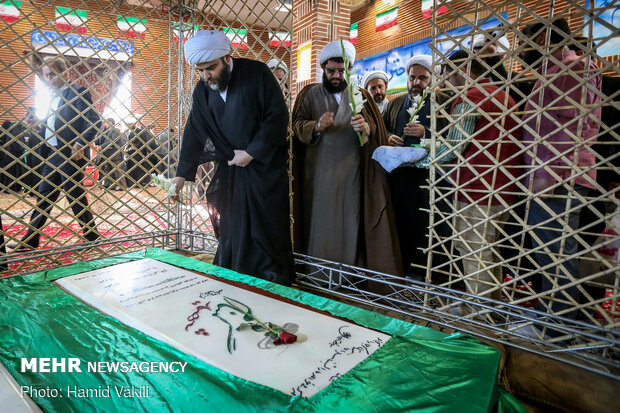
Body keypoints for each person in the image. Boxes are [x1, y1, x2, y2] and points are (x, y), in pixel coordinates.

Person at [171, 30, 293, 286]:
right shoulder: (202, 90)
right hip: (231, 172)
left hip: (263, 169)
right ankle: (236, 273)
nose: (206, 76)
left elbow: (276, 117)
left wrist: (250, 153)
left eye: (211, 68)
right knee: (234, 226)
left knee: (265, 226)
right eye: (201, 70)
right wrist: (182, 175)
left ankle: (270, 280)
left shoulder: (257, 74)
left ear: (227, 57)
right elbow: (194, 130)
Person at [419, 50, 522, 316]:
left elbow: (455, 146)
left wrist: (418, 158)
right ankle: (491, 305)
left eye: (446, 75)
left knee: (474, 250)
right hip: (503, 186)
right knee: (489, 249)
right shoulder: (504, 96)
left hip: (475, 187)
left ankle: (479, 312)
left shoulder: (470, 98)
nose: (445, 82)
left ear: (461, 70)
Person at [291, 40, 402, 284]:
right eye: (331, 71)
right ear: (323, 68)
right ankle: (316, 274)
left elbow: (375, 132)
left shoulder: (361, 95)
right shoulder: (309, 94)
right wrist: (316, 126)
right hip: (317, 174)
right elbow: (295, 127)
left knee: (350, 219)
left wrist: (365, 127)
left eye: (342, 71)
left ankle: (347, 277)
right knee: (318, 223)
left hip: (352, 171)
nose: (336, 76)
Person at [519, 18, 602, 323]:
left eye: (524, 43)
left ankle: (557, 329)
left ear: (543, 39)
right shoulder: (552, 71)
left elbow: (571, 128)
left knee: (556, 256)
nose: (520, 51)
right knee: (548, 255)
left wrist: (547, 177)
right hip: (547, 177)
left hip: (557, 178)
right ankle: (552, 320)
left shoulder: (575, 68)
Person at [13, 56, 100, 250]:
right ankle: (31, 239)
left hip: (70, 154)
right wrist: (38, 125)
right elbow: (52, 127)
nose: (49, 79)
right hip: (52, 154)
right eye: (46, 75)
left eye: (53, 74)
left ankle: (92, 236)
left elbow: (94, 120)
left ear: (64, 72)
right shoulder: (51, 98)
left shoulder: (78, 92)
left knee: (74, 196)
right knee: (45, 197)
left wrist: (80, 142)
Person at [383, 55, 450, 281]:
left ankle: (424, 271)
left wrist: (426, 133)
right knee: (401, 219)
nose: (416, 83)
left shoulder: (444, 102)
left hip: (431, 176)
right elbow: (383, 130)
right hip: (401, 175)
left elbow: (454, 137)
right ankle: (400, 266)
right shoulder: (395, 103)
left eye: (422, 78)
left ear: (432, 78)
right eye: (412, 77)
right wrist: (390, 137)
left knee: (427, 224)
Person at [470, 30, 535, 109]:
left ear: (501, 56)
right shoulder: (472, 82)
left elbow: (509, 96)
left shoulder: (521, 81)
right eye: (476, 58)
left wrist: (492, 57)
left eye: (484, 58)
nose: (479, 62)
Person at [94, 118, 126, 190]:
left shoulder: (115, 130)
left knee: (117, 171)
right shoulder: (109, 131)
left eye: (106, 123)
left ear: (111, 123)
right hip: (110, 154)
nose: (105, 125)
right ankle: (112, 185)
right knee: (110, 171)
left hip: (115, 154)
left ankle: (122, 186)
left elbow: (113, 141)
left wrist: (102, 146)